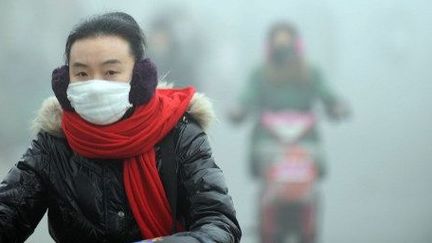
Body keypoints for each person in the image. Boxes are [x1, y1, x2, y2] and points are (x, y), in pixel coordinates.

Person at [0, 12, 241, 243]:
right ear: (65, 83)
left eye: (110, 72)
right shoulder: (54, 143)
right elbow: (9, 211)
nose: (94, 85)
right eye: (82, 72)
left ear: (139, 78)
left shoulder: (179, 135)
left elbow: (219, 224)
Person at [230, 21, 349, 179]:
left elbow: (326, 93)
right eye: (278, 41)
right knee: (259, 157)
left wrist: (336, 106)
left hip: (305, 135)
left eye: (286, 41)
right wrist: (239, 109)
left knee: (317, 160)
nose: (283, 47)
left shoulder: (310, 71)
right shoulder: (260, 73)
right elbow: (248, 95)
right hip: (268, 134)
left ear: (296, 44)